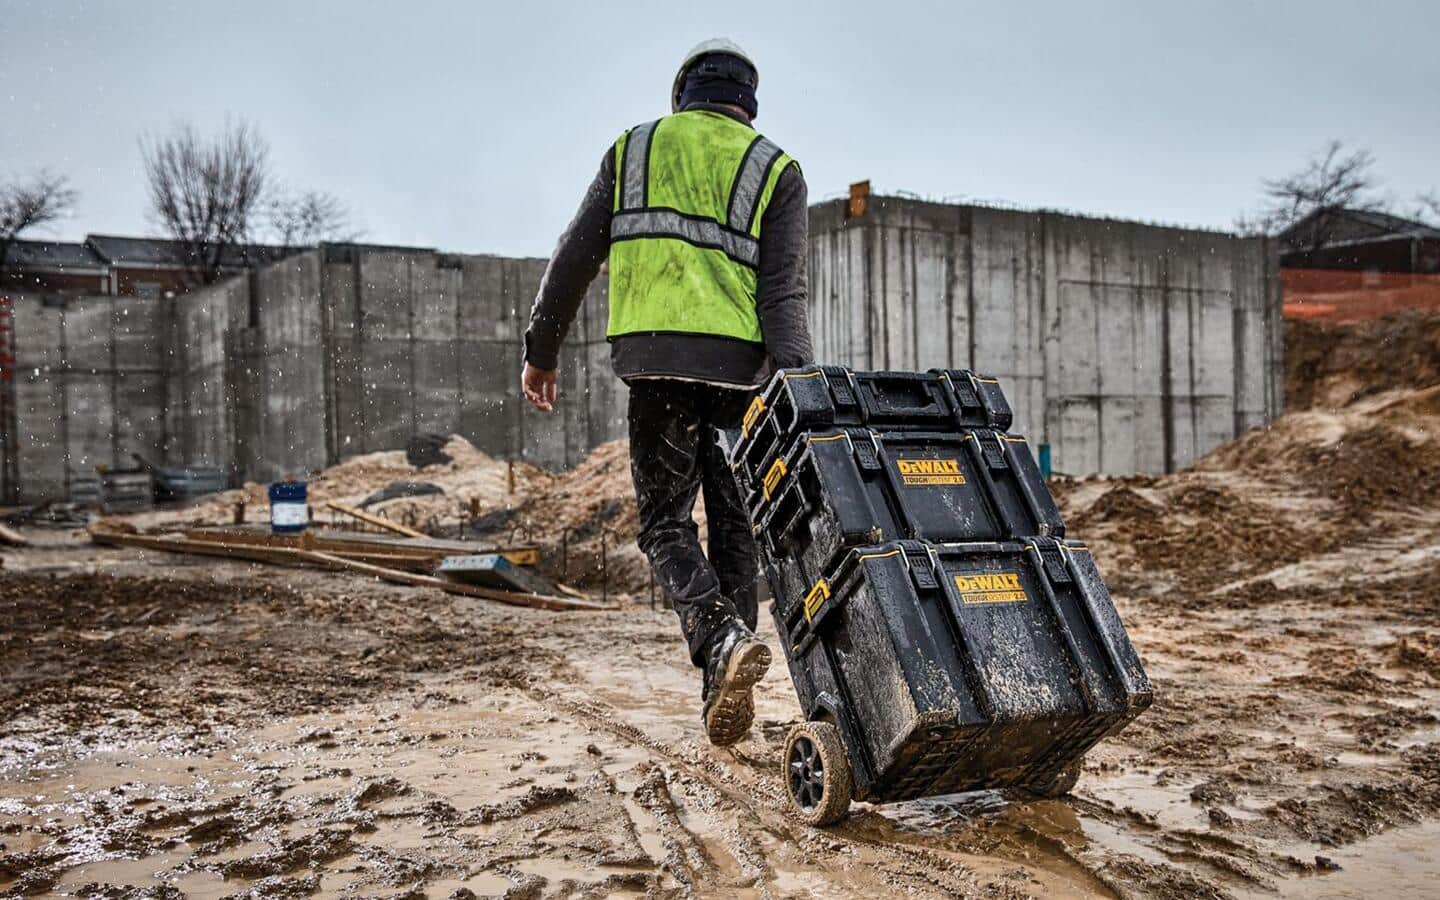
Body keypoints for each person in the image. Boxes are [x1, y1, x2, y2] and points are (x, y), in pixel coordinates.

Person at [520, 38, 813, 746]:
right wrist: (801, 388)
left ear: (684, 92)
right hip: (741, 374)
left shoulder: (635, 150)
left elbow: (575, 254)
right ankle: (726, 668)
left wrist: (541, 350)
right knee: (736, 526)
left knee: (664, 523)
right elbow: (782, 295)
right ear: (748, 102)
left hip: (655, 363)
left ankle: (719, 644)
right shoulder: (776, 168)